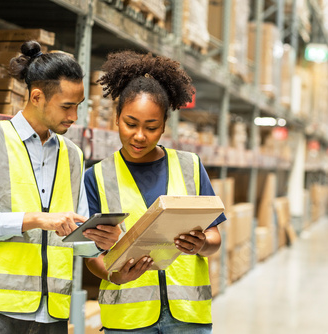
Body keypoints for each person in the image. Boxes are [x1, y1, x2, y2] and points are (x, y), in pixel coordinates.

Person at [0, 41, 121, 334]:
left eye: (78, 106)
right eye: (66, 106)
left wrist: (105, 239)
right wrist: (35, 219)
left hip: (52, 313)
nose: (74, 117)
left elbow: (77, 241)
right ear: (37, 96)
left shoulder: (74, 155)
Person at [84, 51, 227, 333]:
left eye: (151, 127)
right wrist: (114, 276)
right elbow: (91, 255)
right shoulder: (97, 176)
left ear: (163, 125)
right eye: (131, 124)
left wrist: (201, 245)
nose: (140, 136)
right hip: (128, 320)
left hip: (187, 318)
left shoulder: (190, 166)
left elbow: (215, 237)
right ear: (116, 118)